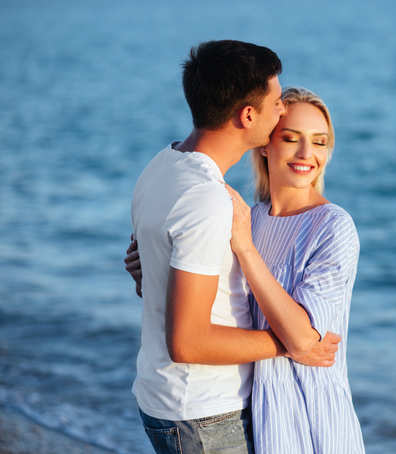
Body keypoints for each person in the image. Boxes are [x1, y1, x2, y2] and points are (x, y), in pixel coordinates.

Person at [129, 40, 340, 454]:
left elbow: (155, 272)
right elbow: (188, 342)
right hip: (203, 413)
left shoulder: (163, 165)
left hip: (167, 398)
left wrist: (147, 274)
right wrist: (293, 343)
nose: (281, 111)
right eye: (277, 102)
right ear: (248, 116)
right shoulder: (207, 200)